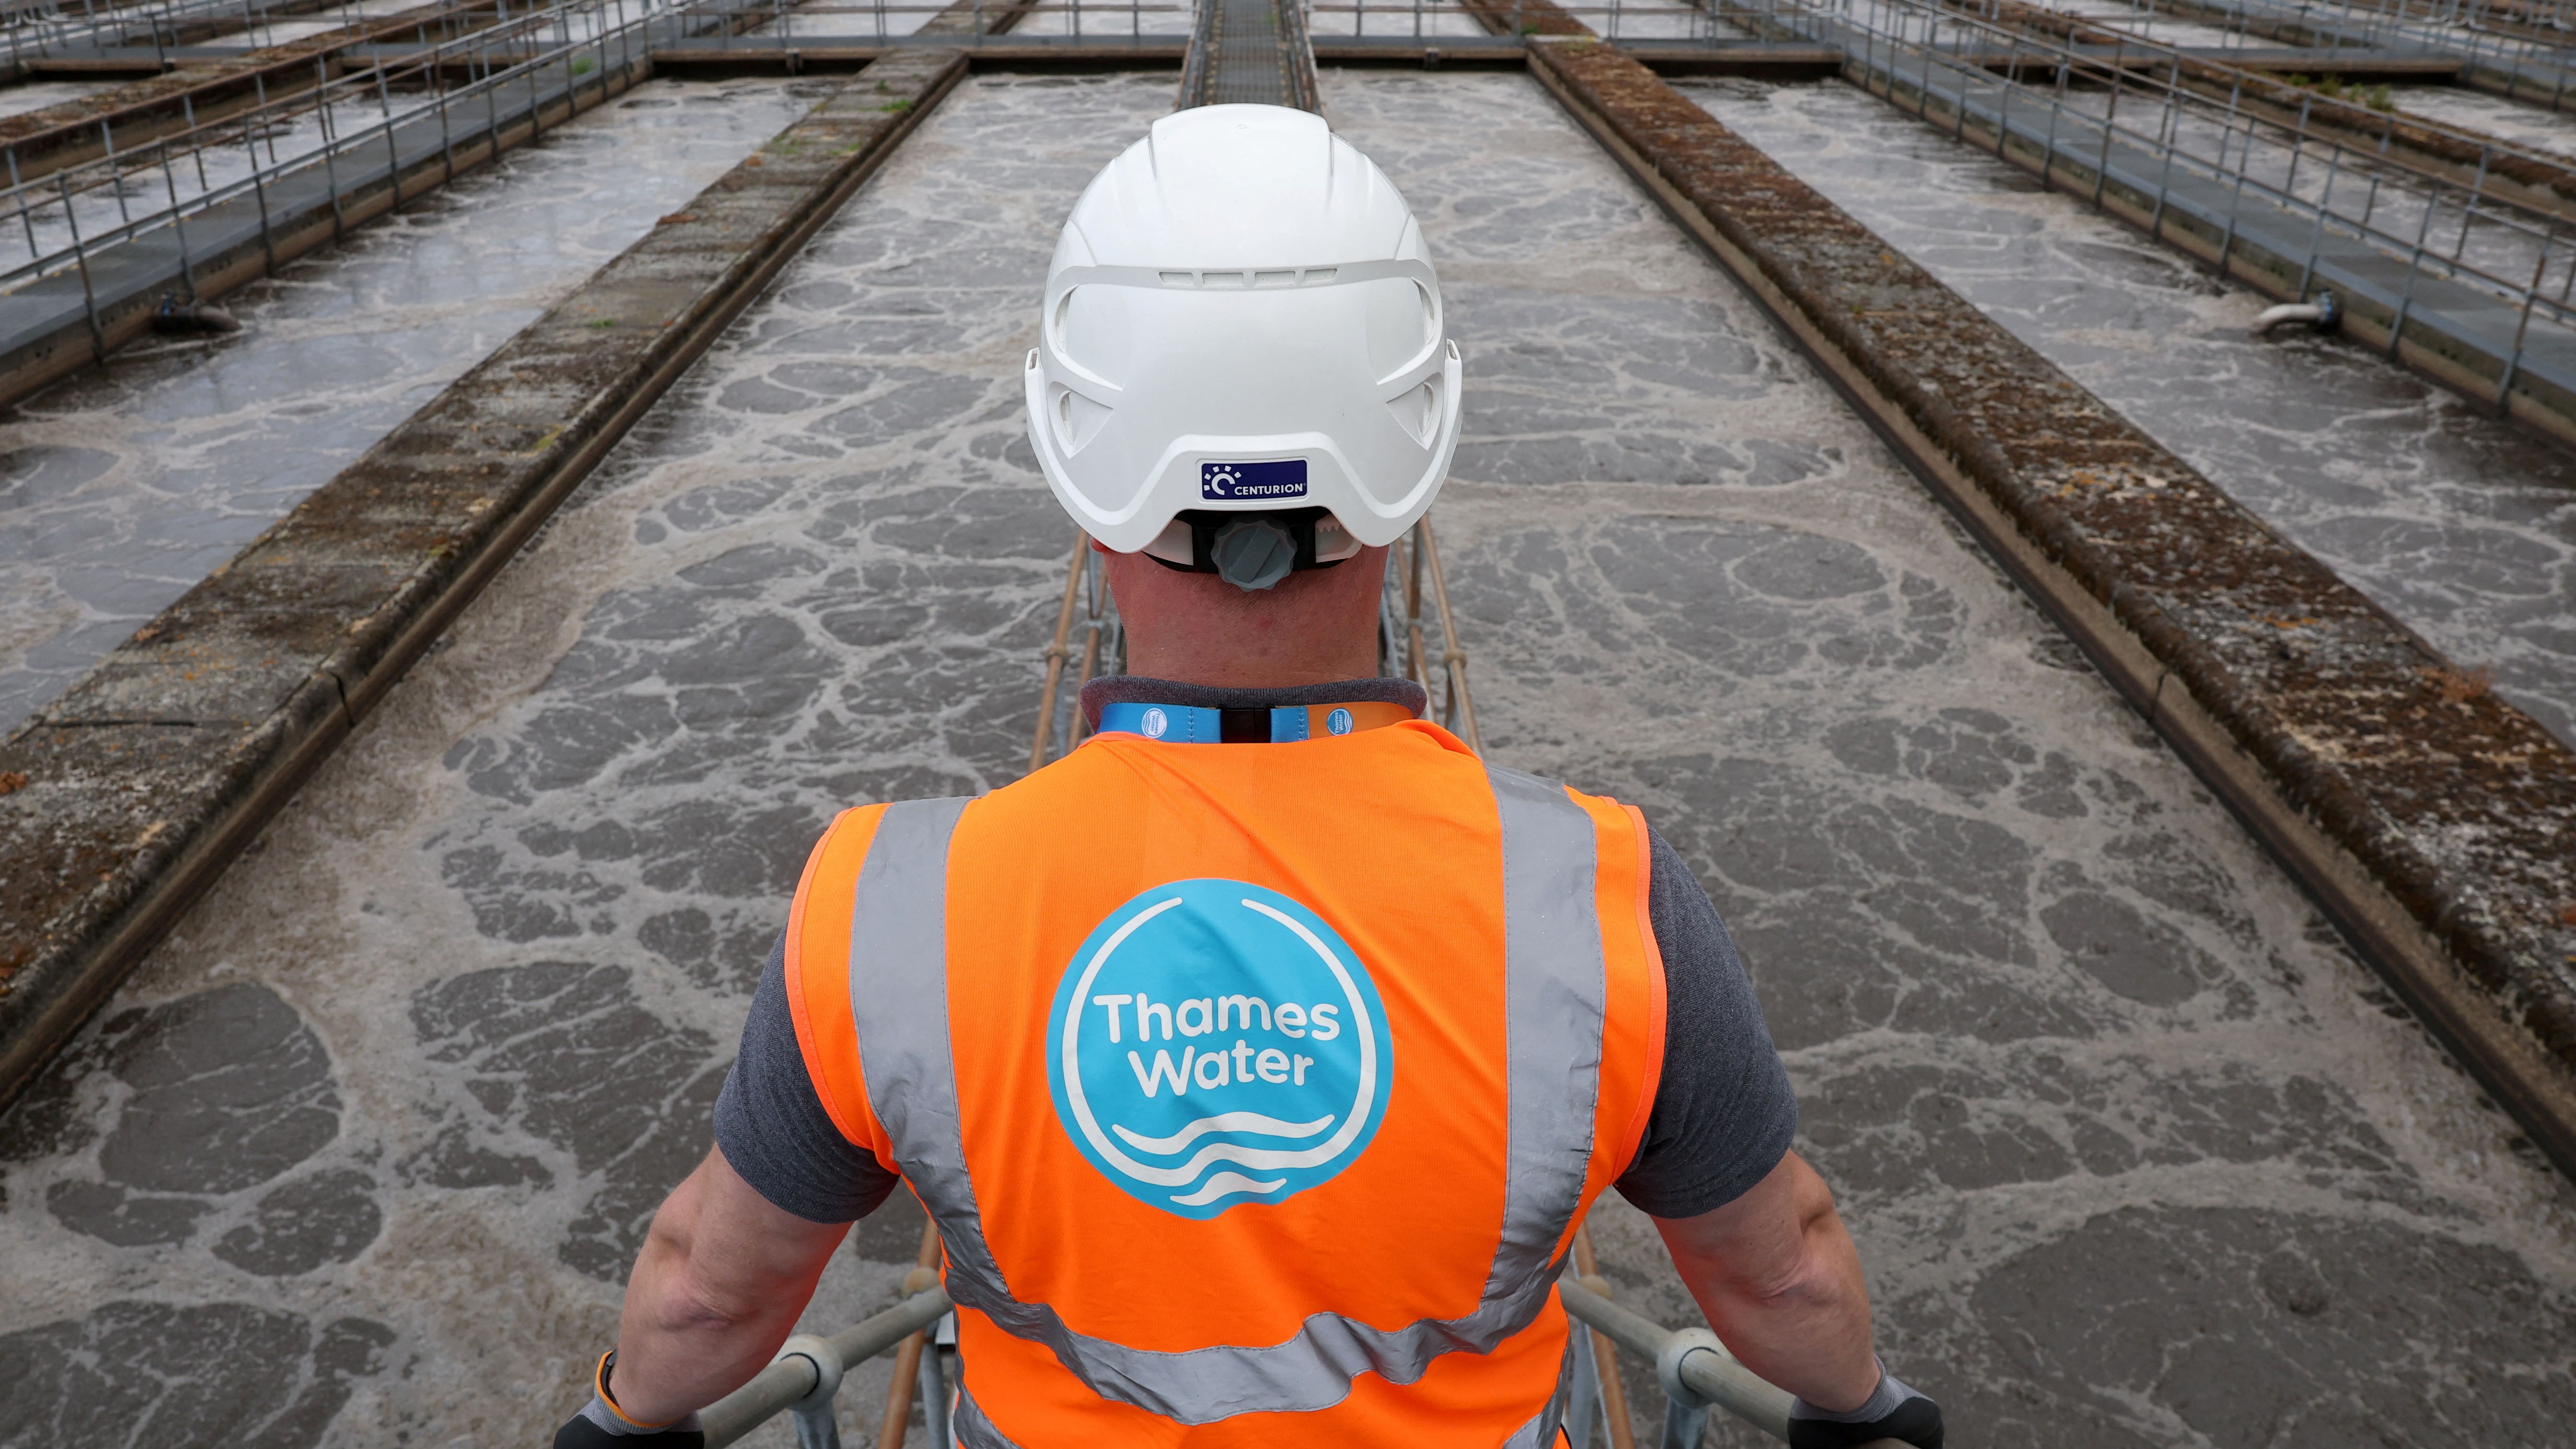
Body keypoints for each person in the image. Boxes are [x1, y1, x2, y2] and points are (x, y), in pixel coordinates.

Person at [554, 104, 1943, 1449]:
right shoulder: (1599, 898)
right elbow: (1783, 1278)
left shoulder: (883, 911)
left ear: (1080, 471)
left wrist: (622, 1414)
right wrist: (1869, 1406)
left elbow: (710, 1287)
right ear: (1413, 463)